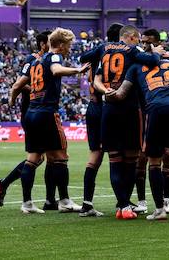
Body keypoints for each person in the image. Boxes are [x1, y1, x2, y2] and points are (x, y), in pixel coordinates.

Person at [104, 32, 169, 221]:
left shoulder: (135, 66)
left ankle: (160, 209)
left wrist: (105, 94)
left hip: (156, 109)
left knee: (154, 160)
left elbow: (121, 94)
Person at [9, 28, 88, 214]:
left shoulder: (35, 61)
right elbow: (56, 70)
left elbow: (17, 85)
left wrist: (12, 98)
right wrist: (77, 70)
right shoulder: (53, 57)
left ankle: (27, 203)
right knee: (60, 157)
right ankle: (65, 201)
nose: (69, 49)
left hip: (32, 113)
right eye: (68, 45)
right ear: (61, 45)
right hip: (47, 113)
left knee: (33, 158)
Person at [92, 25, 165, 220]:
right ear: (131, 37)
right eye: (138, 38)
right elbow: (153, 60)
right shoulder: (132, 50)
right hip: (130, 109)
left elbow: (96, 80)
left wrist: (104, 90)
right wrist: (155, 51)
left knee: (115, 160)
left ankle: (122, 205)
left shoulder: (106, 50)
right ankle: (124, 204)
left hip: (109, 108)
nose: (140, 42)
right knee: (132, 160)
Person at [0, 31, 66, 208]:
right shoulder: (33, 59)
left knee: (48, 156)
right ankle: (5, 184)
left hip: (39, 110)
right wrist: (39, 88)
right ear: (43, 44)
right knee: (39, 157)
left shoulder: (49, 59)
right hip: (33, 110)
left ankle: (50, 200)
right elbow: (22, 83)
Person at [75, 23, 124, 218]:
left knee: (95, 154)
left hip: (93, 106)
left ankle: (87, 203)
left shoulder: (100, 50)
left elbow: (82, 58)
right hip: (108, 106)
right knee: (116, 153)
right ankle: (123, 201)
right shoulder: (122, 52)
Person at [140, 28, 169, 214]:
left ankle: (167, 200)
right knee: (143, 158)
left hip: (163, 111)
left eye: (147, 42)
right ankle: (142, 201)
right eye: (142, 41)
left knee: (168, 155)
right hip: (144, 112)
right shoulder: (137, 61)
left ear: (156, 43)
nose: (144, 45)